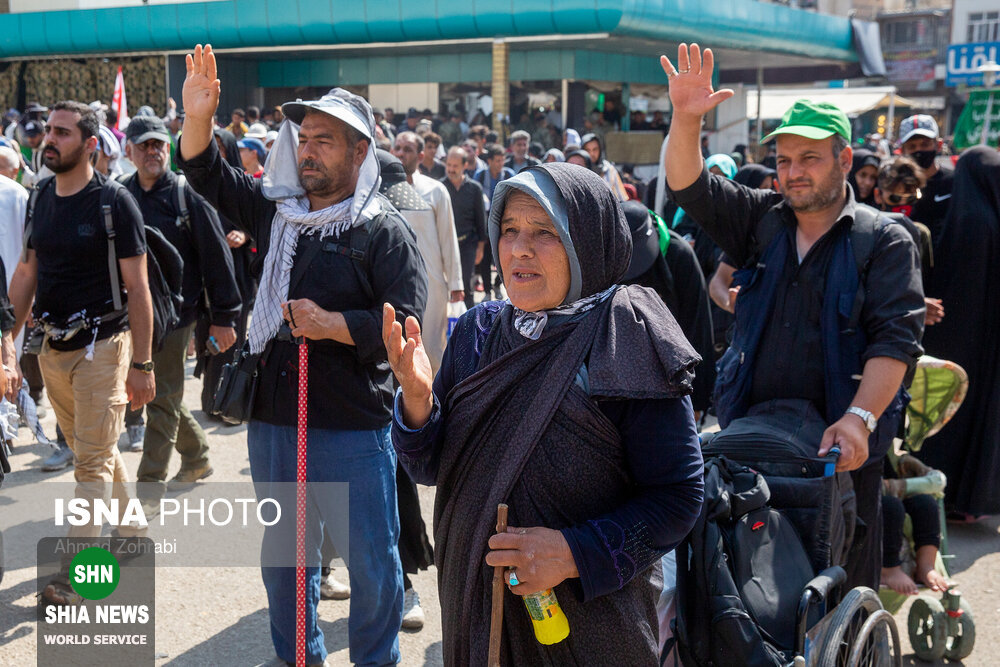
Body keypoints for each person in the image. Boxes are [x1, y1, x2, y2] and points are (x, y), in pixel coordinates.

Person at [385, 162, 704, 665]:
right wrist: (418, 400)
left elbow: (678, 497)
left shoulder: (626, 338)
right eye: (508, 230)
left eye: (545, 233)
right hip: (474, 612)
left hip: (592, 627)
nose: (519, 249)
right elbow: (427, 467)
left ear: (589, 242)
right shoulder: (478, 333)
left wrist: (575, 553)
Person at [178, 44, 426, 666]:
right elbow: (206, 171)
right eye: (304, 137)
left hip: (351, 423)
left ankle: (375, 659)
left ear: (360, 152)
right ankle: (301, 658)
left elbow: (408, 324)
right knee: (286, 560)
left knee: (373, 565)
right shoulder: (277, 216)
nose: (308, 149)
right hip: (274, 418)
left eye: (325, 140)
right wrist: (198, 116)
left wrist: (335, 325)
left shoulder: (382, 229)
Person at [662, 44, 924, 591]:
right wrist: (686, 121)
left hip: (841, 456)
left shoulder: (884, 241)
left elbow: (895, 343)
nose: (793, 173)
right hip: (753, 442)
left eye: (809, 159)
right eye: (784, 160)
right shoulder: (761, 220)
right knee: (745, 588)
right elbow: (690, 185)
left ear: (845, 159)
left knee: (841, 593)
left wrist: (861, 419)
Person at [8, 100, 155, 604]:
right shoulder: (39, 195)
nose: (50, 139)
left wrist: (143, 365)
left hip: (105, 348)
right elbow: (27, 270)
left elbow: (139, 288)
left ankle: (72, 577)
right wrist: (7, 340)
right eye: (49, 130)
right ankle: (132, 532)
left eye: (63, 133)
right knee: (98, 449)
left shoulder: (114, 202)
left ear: (91, 145)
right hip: (52, 348)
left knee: (89, 464)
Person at [121, 115, 240, 500]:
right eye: (144, 145)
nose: (152, 152)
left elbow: (217, 258)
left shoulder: (186, 195)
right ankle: (198, 456)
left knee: (158, 399)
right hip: (132, 318)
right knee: (164, 395)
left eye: (158, 144)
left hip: (176, 318)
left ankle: (148, 487)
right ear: (129, 151)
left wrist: (225, 317)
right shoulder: (121, 195)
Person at [919, 147, 1000, 521]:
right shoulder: (993, 218)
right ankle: (974, 500)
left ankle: (948, 497)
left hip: (958, 341)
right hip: (989, 345)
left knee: (951, 419)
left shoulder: (964, 221)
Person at [620, 200, 715, 417]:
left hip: (673, 376)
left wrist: (698, 397)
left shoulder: (678, 255)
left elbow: (697, 325)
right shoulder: (602, 253)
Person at [389, 134, 464, 373]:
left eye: (408, 149)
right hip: (392, 282)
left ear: (421, 156)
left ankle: (435, 405)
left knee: (432, 350)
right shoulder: (382, 191)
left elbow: (448, 239)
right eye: (397, 148)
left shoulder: (435, 191)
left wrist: (455, 283)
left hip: (432, 285)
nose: (401, 153)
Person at [440, 146, 486, 309]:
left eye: (455, 166)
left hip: (467, 244)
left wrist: (480, 248)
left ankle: (469, 324)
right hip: (444, 244)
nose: (451, 170)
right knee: (444, 286)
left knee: (466, 284)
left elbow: (481, 220)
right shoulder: (439, 188)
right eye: (449, 165)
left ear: (464, 165)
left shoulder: (474, 189)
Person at [899, 115, 952, 245]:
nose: (919, 150)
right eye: (912, 146)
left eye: (925, 144)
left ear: (938, 145)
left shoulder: (954, 182)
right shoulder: (896, 185)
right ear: (902, 150)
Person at [580, 133, 628, 200]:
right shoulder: (579, 169)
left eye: (595, 149)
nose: (592, 153)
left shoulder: (609, 170)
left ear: (600, 150)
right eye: (587, 150)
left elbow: (622, 199)